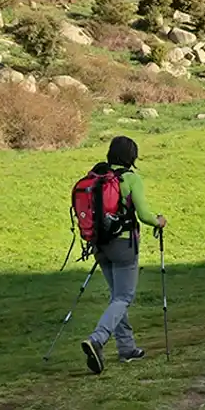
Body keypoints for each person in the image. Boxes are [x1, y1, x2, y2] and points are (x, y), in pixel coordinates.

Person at [81, 135, 166, 375]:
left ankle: (127, 348)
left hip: (99, 244)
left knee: (117, 297)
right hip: (123, 244)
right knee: (124, 297)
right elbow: (144, 215)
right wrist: (159, 221)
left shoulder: (97, 177)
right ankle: (97, 340)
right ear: (131, 157)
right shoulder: (130, 179)